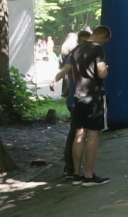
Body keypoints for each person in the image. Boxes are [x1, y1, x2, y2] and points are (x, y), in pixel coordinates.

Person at [53, 26, 112, 186]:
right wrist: (105, 70)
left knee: (79, 134)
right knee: (94, 134)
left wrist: (55, 79)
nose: (104, 43)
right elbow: (101, 73)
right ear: (102, 35)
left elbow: (69, 70)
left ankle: (77, 173)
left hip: (79, 95)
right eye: (105, 40)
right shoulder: (97, 49)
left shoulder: (76, 49)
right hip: (94, 95)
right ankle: (89, 175)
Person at [50, 30, 90, 177]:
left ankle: (72, 165)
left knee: (78, 134)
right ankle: (70, 166)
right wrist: (55, 80)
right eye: (83, 42)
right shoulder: (75, 56)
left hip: (79, 100)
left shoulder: (82, 55)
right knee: (76, 134)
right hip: (76, 102)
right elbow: (65, 70)